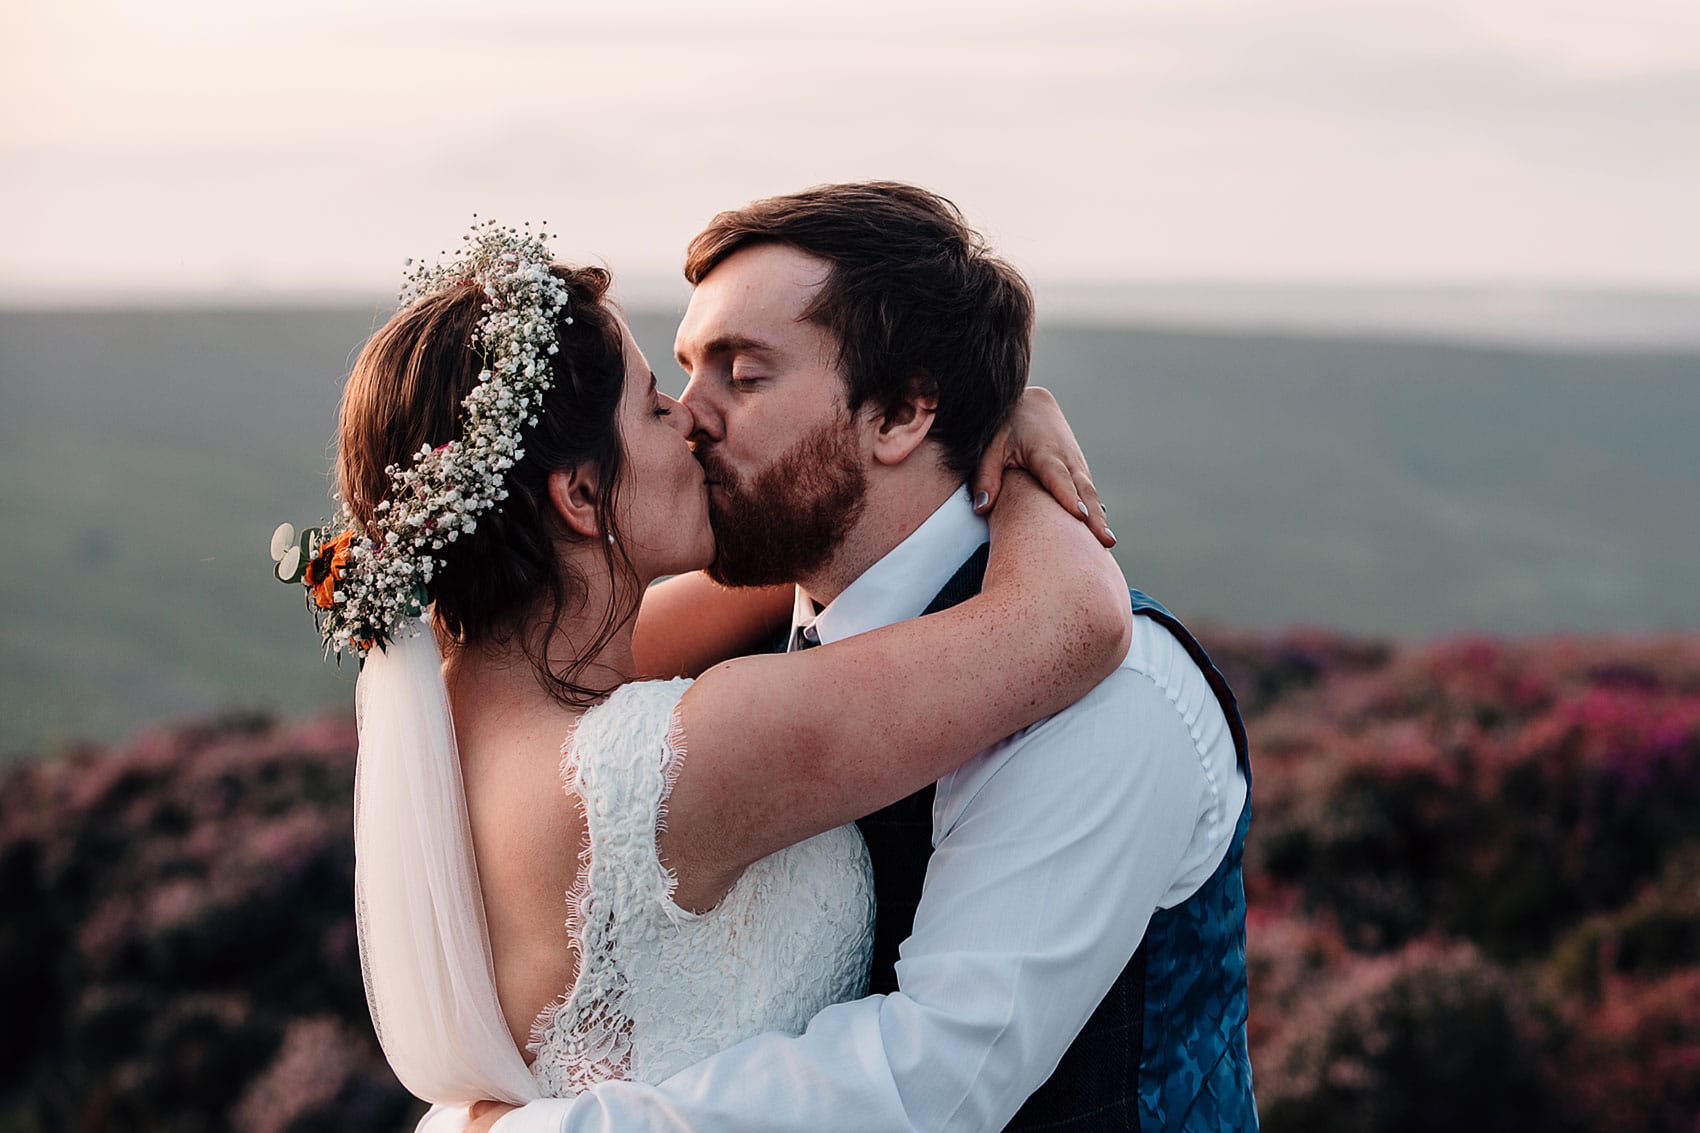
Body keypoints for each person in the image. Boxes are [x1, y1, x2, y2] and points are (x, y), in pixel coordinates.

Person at [275, 221, 1132, 1121]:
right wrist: (1016, 448)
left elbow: (780, 565)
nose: (688, 418)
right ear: (578, 496)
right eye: (652, 407)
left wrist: (949, 415)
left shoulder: (470, 696)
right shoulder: (673, 761)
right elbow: (1075, 621)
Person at [459, 184, 1259, 1132]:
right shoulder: (726, 630)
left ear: (903, 414)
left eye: (743, 375)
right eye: (683, 371)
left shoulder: (1112, 704)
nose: (687, 415)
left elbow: (934, 1085)